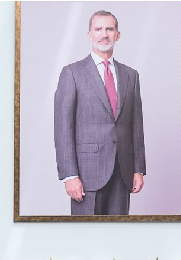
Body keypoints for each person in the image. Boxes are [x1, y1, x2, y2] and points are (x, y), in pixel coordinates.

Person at [54, 9, 145, 215]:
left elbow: (136, 126)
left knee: (117, 237)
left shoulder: (131, 76)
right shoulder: (72, 73)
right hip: (86, 175)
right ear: (89, 35)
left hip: (122, 172)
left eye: (109, 29)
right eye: (98, 29)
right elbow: (63, 128)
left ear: (117, 35)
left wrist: (138, 169)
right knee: (85, 238)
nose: (104, 34)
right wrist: (70, 175)